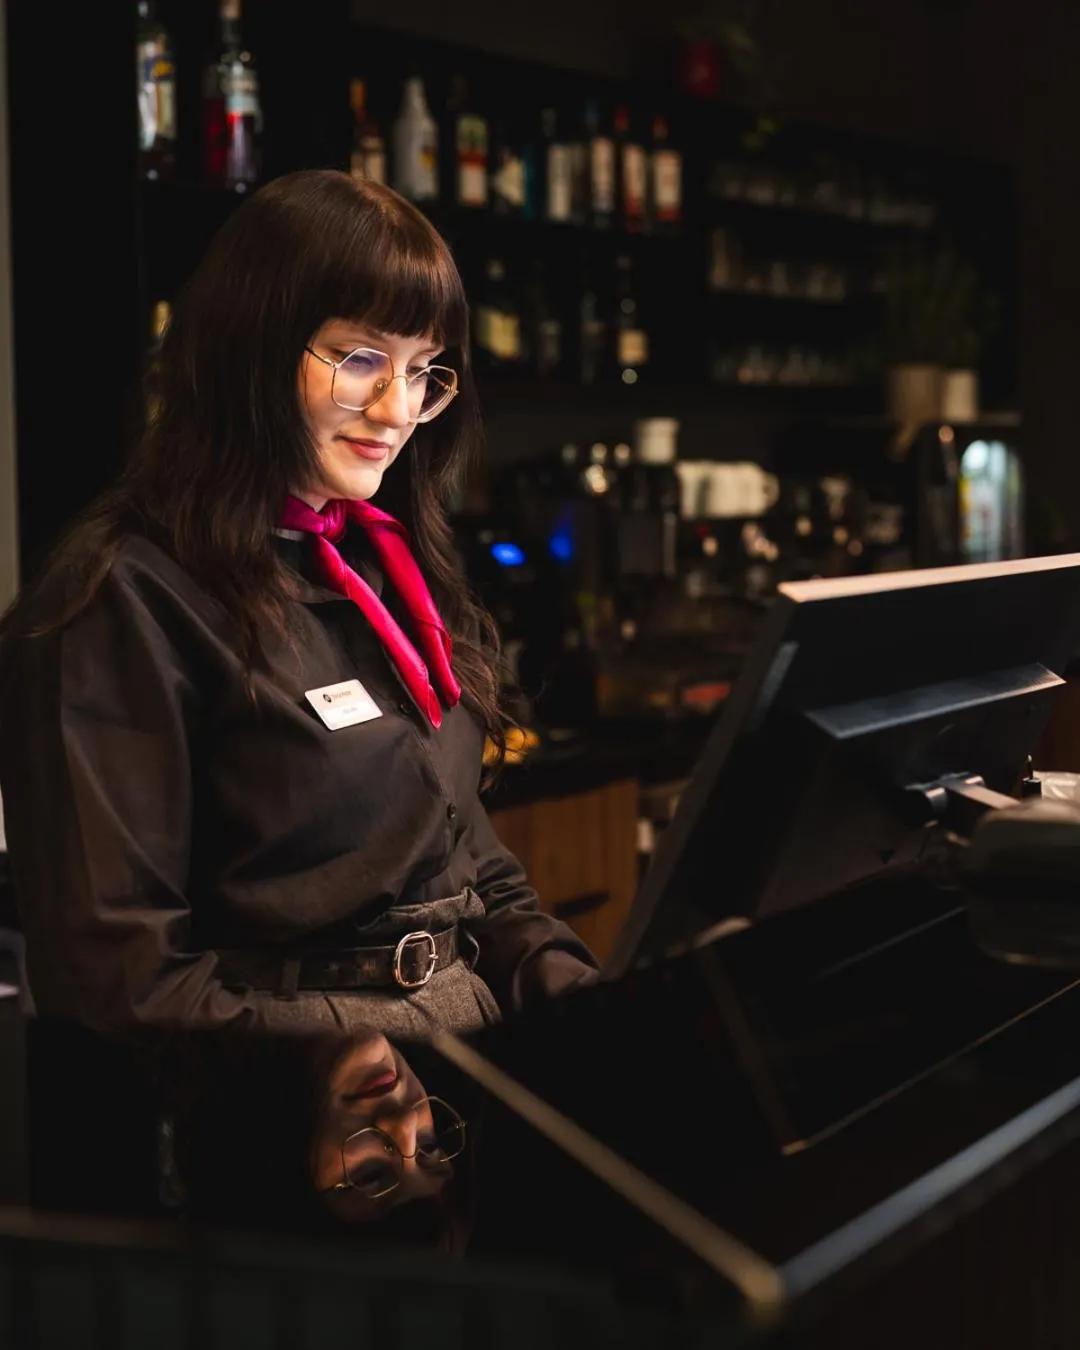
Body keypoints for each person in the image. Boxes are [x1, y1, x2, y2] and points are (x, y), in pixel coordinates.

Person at [0, 169, 598, 1040]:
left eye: (423, 371)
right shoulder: (120, 598)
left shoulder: (390, 571)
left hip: (459, 1040)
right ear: (251, 349)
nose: (397, 411)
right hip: (286, 1083)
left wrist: (589, 1003)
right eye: (360, 361)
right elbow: (117, 978)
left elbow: (469, 869)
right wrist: (334, 1074)